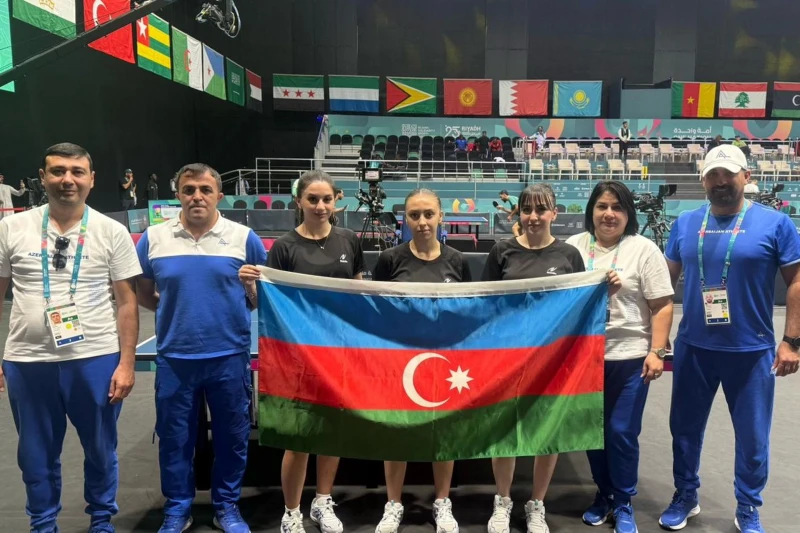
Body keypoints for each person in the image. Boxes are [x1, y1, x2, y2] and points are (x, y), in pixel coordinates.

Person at [0, 142, 141, 533]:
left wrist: (126, 363)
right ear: (42, 177)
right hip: (28, 362)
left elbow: (127, 303)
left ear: (91, 180)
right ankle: (43, 525)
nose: (68, 179)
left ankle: (101, 522)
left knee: (100, 449)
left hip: (95, 357)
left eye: (77, 172)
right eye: (58, 171)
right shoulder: (10, 228)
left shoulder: (112, 231)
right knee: (35, 454)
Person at [659, 145, 800, 533]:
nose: (721, 182)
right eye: (713, 175)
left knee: (753, 437)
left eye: (729, 174)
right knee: (684, 429)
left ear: (746, 177)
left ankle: (748, 505)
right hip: (694, 347)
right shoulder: (685, 223)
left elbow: (797, 281)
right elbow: (661, 284)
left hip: (751, 351)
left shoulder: (776, 224)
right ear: (703, 180)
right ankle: (686, 494)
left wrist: (791, 341)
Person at [136, 163, 267, 533]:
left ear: (218, 196)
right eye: (189, 189)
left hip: (229, 355)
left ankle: (227, 506)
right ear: (177, 194)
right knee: (175, 439)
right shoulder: (154, 238)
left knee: (233, 437)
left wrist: (251, 290)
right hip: (176, 357)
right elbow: (145, 293)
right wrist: (176, 313)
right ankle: (178, 507)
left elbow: (261, 296)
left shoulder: (243, 237)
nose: (197, 196)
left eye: (205, 190)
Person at [481, 183, 599, 533]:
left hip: (553, 361)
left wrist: (603, 287)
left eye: (541, 209)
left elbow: (580, 305)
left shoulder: (569, 256)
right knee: (506, 432)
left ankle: (537, 504)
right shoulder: (502, 251)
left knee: (548, 431)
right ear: (518, 213)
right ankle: (502, 501)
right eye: (527, 210)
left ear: (554, 213)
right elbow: (485, 306)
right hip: (509, 359)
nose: (534, 217)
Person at [255, 170, 364, 533]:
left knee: (330, 431)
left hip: (339, 351)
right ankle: (291, 511)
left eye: (326, 199)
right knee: (299, 435)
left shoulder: (349, 240)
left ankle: (322, 501)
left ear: (336, 202)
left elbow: (359, 294)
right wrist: (252, 288)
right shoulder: (285, 247)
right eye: (312, 199)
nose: (320, 206)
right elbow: (269, 303)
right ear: (299, 202)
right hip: (298, 356)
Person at [566, 181, 674, 533]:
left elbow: (661, 305)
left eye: (617, 207)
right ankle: (604, 495)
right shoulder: (573, 248)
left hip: (629, 357)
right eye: (602, 206)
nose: (609, 214)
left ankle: (624, 501)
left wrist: (657, 351)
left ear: (628, 213)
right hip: (585, 357)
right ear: (591, 211)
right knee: (592, 433)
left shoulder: (644, 250)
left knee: (621, 431)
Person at [372, 188, 471, 533]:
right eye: (415, 215)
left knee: (442, 434)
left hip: (444, 364)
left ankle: (443, 503)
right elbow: (378, 310)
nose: (423, 222)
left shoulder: (457, 261)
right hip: (401, 361)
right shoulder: (390, 259)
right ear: (405, 219)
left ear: (441, 216)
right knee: (396, 432)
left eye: (429, 214)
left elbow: (468, 313)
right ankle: (393, 503)